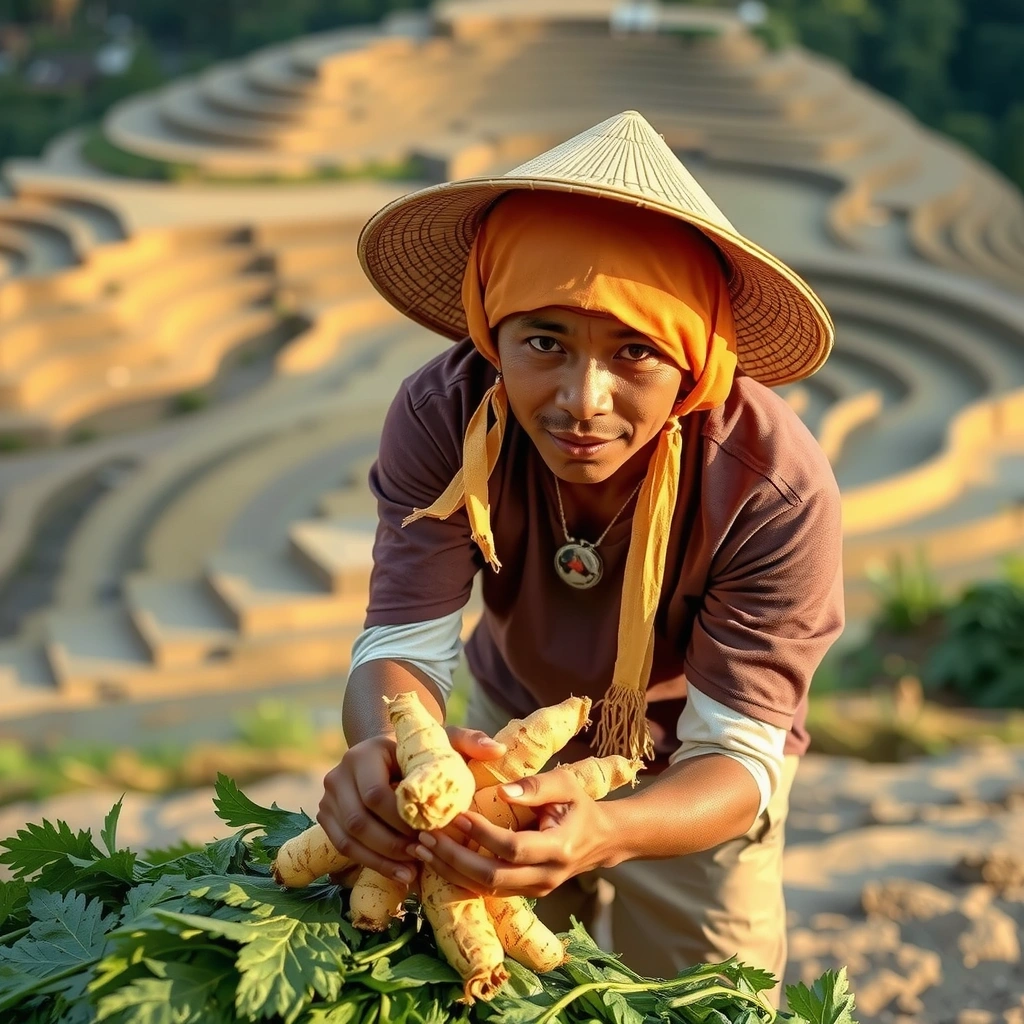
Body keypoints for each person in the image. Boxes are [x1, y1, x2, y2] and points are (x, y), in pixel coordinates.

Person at [317, 111, 844, 1003]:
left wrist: (606, 829)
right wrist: (391, 752)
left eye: (636, 351)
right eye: (544, 342)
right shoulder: (446, 417)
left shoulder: (770, 488)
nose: (582, 400)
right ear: (491, 328)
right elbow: (401, 644)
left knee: (706, 1004)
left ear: (695, 360)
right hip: (506, 745)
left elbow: (738, 756)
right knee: (494, 992)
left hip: (693, 780)